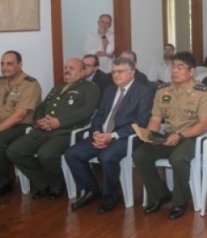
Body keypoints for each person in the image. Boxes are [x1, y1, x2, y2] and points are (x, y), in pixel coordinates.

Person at [64, 57, 153, 214]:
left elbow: (140, 123)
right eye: (113, 72)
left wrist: (112, 136)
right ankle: (91, 189)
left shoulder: (143, 92)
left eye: (120, 72)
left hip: (126, 138)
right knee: (72, 153)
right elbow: (99, 116)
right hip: (102, 135)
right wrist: (97, 133)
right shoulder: (109, 90)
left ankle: (111, 194)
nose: (116, 75)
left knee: (106, 157)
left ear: (131, 73)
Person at [133, 51, 207, 220]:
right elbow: (156, 118)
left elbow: (204, 124)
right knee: (140, 155)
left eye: (180, 67)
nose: (175, 71)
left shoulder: (203, 92)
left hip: (191, 137)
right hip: (168, 136)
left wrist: (181, 136)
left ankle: (180, 201)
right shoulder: (163, 91)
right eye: (173, 67)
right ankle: (160, 195)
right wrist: (150, 135)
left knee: (177, 159)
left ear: (191, 72)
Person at [7, 58, 100, 199]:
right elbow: (42, 107)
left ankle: (56, 186)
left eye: (72, 68)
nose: (67, 70)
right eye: (66, 67)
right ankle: (42, 182)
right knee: (14, 151)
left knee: (47, 154)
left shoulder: (91, 88)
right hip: (43, 129)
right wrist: (39, 121)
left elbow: (85, 112)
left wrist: (60, 122)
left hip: (66, 132)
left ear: (83, 72)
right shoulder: (57, 87)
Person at [0, 51, 42, 201]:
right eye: (2, 64)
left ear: (20, 65)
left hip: (22, 127)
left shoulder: (30, 84)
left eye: (10, 63)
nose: (5, 67)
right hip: (2, 125)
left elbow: (19, 116)